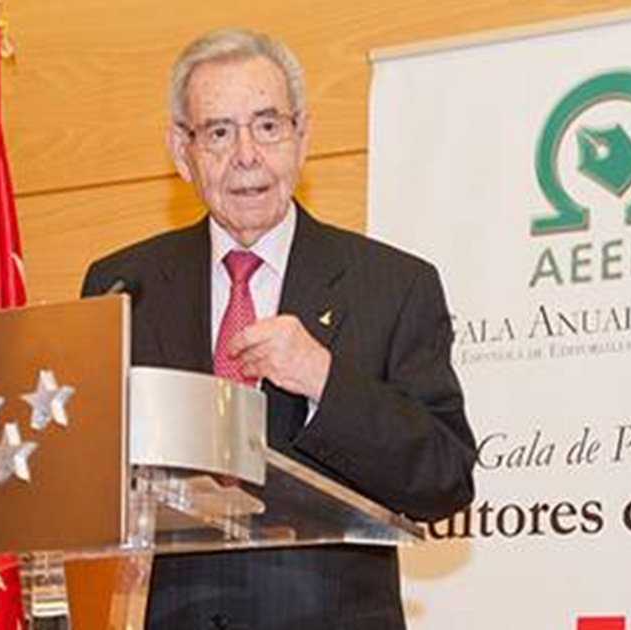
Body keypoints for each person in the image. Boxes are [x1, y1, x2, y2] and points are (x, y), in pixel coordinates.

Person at [81, 27, 476, 629]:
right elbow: (85, 479)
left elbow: (445, 480)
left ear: (302, 136)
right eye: (219, 132)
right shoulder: (122, 286)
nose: (246, 155)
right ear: (182, 151)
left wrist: (324, 380)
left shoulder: (393, 286)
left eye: (267, 126)